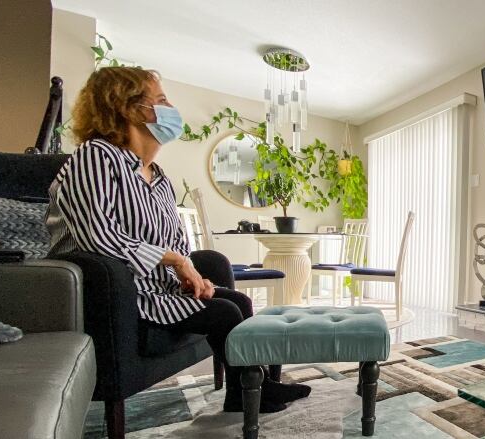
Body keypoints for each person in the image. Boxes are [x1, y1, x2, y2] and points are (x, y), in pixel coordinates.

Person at [45, 66, 309, 413]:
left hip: (160, 290)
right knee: (225, 313)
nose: (171, 108)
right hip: (121, 297)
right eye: (162, 100)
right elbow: (97, 238)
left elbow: (176, 242)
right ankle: (251, 392)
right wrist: (178, 263)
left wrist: (192, 279)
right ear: (129, 107)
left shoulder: (159, 178)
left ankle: (246, 390)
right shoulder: (97, 156)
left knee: (240, 304)